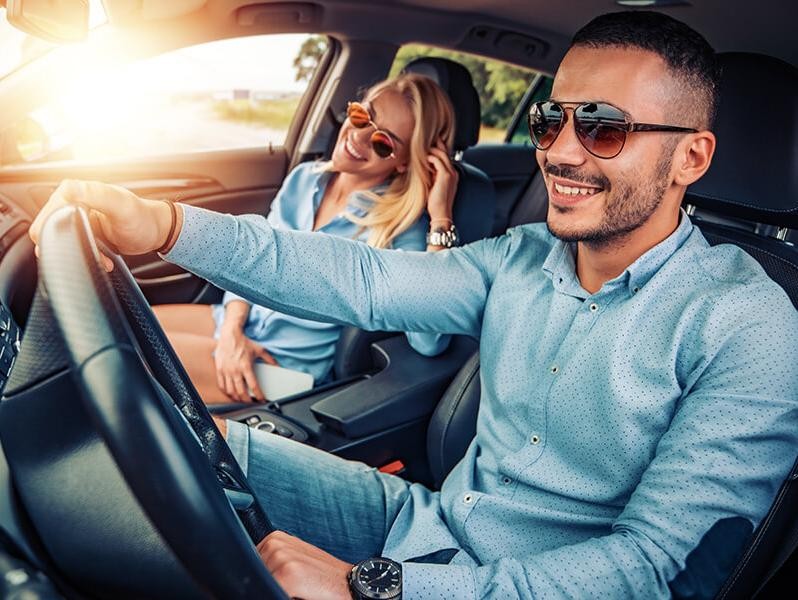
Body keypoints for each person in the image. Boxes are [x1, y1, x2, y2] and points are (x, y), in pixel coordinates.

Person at [29, 10, 798, 600]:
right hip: (425, 521)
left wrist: (375, 585)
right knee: (194, 442)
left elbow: (652, 570)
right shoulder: (524, 257)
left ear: (691, 156)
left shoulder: (749, 326)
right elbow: (360, 280)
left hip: (511, 585)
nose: (561, 151)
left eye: (602, 127)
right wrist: (163, 225)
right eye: (550, 119)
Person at [153, 73, 459, 404]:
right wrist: (231, 331)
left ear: (404, 163)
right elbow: (250, 258)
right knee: (123, 320)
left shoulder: (400, 229)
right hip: (240, 324)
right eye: (362, 116)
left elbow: (429, 341)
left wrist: (441, 217)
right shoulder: (304, 179)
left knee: (131, 355)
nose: (358, 136)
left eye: (383, 142)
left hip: (282, 366)